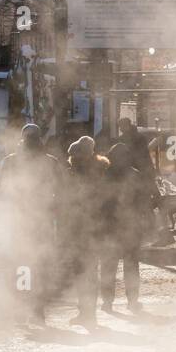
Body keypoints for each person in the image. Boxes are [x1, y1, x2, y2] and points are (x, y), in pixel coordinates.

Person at [0, 123, 62, 324]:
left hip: (30, 219)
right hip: (29, 219)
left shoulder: (13, 162)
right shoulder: (47, 162)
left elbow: (1, 190)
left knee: (27, 264)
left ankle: (30, 307)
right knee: (30, 264)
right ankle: (33, 307)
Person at [99, 142, 159, 313]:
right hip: (131, 227)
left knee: (108, 266)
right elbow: (146, 203)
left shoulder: (103, 175)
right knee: (131, 266)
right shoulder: (135, 175)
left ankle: (107, 302)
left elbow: (97, 202)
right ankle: (132, 301)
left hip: (109, 227)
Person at [60, 135, 110, 329]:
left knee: (84, 273)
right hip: (94, 229)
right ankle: (88, 313)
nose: (72, 160)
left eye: (74, 157)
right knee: (88, 272)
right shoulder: (101, 171)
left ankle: (87, 314)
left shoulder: (80, 175)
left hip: (81, 229)